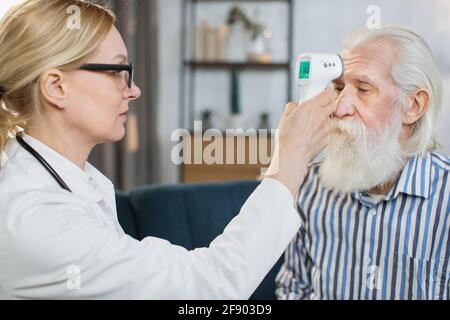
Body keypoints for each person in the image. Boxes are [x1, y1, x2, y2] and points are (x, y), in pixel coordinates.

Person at [0, 0, 335, 299]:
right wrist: (291, 157)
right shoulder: (38, 220)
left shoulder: (68, 179)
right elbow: (210, 285)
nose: (134, 90)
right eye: (118, 71)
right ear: (57, 87)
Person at [276, 25, 450, 300]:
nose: (339, 107)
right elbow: (294, 288)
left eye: (364, 89)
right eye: (339, 88)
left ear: (413, 106)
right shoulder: (309, 184)